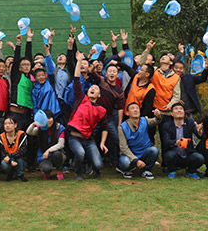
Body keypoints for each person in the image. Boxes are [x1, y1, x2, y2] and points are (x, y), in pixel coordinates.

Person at [67, 50, 109, 181]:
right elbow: (76, 79)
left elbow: (105, 128)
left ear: (99, 95)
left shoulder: (101, 110)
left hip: (89, 139)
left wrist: (102, 143)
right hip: (74, 137)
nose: (93, 88)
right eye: (92, 88)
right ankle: (79, 173)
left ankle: (95, 168)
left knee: (99, 165)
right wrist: (79, 61)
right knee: (80, 153)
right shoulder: (81, 98)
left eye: (96, 89)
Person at [160, 102, 204, 179]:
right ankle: (172, 170)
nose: (179, 110)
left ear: (184, 112)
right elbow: (166, 141)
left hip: (188, 153)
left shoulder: (190, 122)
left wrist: (199, 131)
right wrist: (176, 142)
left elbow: (200, 136)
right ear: (172, 113)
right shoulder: (166, 125)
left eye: (181, 109)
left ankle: (190, 172)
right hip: (174, 153)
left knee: (200, 158)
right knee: (169, 155)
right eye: (176, 109)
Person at [117, 102, 161, 179]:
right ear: (127, 113)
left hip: (144, 152)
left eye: (137, 108)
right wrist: (135, 160)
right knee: (125, 163)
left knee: (154, 150)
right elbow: (123, 147)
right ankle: (128, 169)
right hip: (130, 154)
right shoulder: (122, 127)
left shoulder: (144, 120)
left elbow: (155, 121)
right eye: (132, 108)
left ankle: (146, 170)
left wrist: (158, 116)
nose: (135, 110)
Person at [26, 110, 66, 180]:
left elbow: (61, 144)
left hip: (56, 154)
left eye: (49, 118)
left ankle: (59, 171)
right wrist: (34, 124)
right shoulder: (41, 128)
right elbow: (29, 132)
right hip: (43, 155)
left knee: (57, 154)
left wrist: (48, 150)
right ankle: (46, 172)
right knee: (46, 169)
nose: (48, 120)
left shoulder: (59, 127)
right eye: (45, 119)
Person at [0, 116, 29, 181]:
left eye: (10, 123)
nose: (7, 126)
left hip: (19, 159)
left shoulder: (21, 135)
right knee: (4, 163)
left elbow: (22, 151)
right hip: (8, 160)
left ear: (15, 125)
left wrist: (11, 157)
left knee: (20, 159)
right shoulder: (1, 137)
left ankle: (20, 174)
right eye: (5, 124)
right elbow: (2, 153)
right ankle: (10, 174)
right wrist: (10, 160)